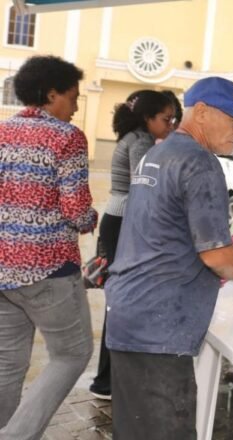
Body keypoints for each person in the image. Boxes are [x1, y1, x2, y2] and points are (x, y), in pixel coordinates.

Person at [104, 76, 233, 440]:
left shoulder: (160, 151)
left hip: (132, 315)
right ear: (200, 113)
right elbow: (217, 255)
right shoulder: (200, 162)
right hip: (159, 328)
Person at [0, 55, 98, 440]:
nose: (75, 107)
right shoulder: (66, 137)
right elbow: (76, 212)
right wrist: (91, 220)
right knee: (72, 354)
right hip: (48, 272)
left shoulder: (3, 132)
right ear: (50, 93)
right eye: (72, 98)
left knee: (8, 361)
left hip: (3, 270)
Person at [88, 90, 176, 401]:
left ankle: (106, 380)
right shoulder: (141, 141)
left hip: (117, 219)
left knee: (120, 300)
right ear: (147, 117)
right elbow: (145, 186)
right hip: (126, 222)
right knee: (126, 301)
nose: (170, 126)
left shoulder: (129, 136)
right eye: (166, 119)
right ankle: (109, 381)